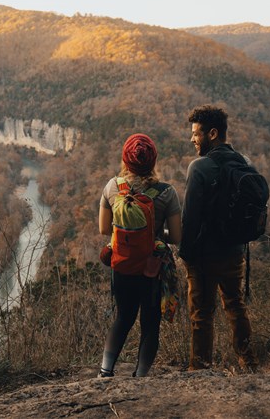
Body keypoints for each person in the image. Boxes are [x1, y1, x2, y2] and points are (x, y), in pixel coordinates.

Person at [179, 105, 258, 371]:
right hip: (235, 252)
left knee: (202, 315)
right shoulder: (245, 161)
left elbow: (189, 220)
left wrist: (186, 256)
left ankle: (199, 368)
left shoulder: (199, 167)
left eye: (196, 134)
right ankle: (248, 363)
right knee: (236, 306)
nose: (192, 139)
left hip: (203, 257)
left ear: (212, 134)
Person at [98, 133, 182, 377]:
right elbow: (176, 237)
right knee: (150, 323)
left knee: (123, 317)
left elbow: (105, 229)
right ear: (153, 160)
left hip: (122, 265)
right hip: (151, 269)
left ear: (125, 159)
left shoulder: (113, 186)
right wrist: (154, 233)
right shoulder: (167, 193)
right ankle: (141, 376)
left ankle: (105, 371)